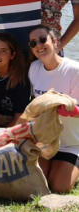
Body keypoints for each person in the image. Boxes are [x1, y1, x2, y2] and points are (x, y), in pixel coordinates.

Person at [28, 24, 79, 193]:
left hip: (71, 143)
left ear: (55, 41)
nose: (38, 45)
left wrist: (68, 110)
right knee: (37, 184)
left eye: (42, 39)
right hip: (45, 141)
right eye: (33, 43)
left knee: (59, 187)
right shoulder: (33, 69)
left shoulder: (74, 70)